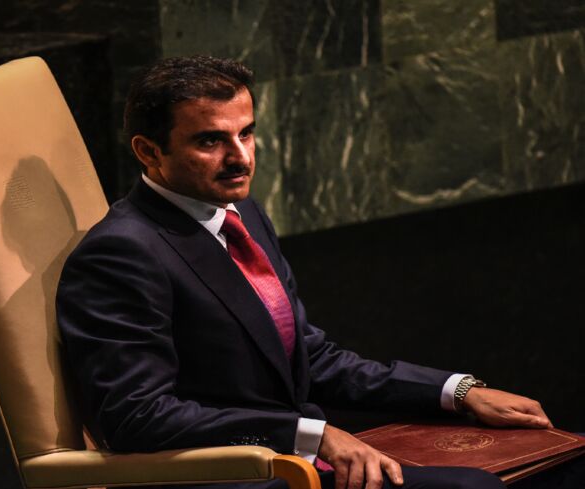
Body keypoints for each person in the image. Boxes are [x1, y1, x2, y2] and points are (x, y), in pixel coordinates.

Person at [55, 55, 582, 489]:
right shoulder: (121, 255)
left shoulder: (239, 213)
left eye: (248, 133)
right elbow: (137, 418)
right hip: (237, 476)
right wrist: (308, 435)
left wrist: (457, 391)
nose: (241, 158)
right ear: (149, 152)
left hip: (301, 451)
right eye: (210, 141)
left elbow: (308, 358)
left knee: (559, 458)